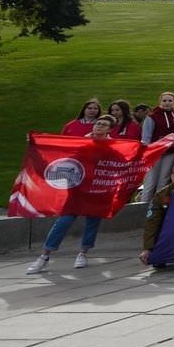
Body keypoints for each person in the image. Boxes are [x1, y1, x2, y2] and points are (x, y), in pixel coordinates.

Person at [27, 115, 118, 273]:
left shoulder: (113, 147)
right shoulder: (81, 143)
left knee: (93, 222)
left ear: (109, 129)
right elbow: (63, 155)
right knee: (64, 221)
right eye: (98, 123)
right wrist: (36, 142)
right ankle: (44, 256)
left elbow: (121, 163)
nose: (99, 126)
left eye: (104, 125)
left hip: (98, 189)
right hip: (78, 188)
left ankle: (83, 253)